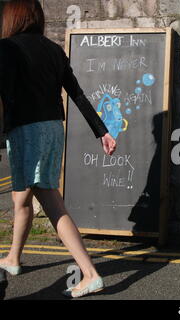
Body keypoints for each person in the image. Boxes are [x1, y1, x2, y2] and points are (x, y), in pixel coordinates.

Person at [0, 0, 116, 298]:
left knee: (49, 198)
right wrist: (101, 131)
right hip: (52, 128)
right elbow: (76, 93)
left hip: (26, 131)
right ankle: (13, 258)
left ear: (12, 18)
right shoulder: (53, 50)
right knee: (21, 195)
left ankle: (90, 274)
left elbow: (4, 98)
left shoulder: (7, 49)